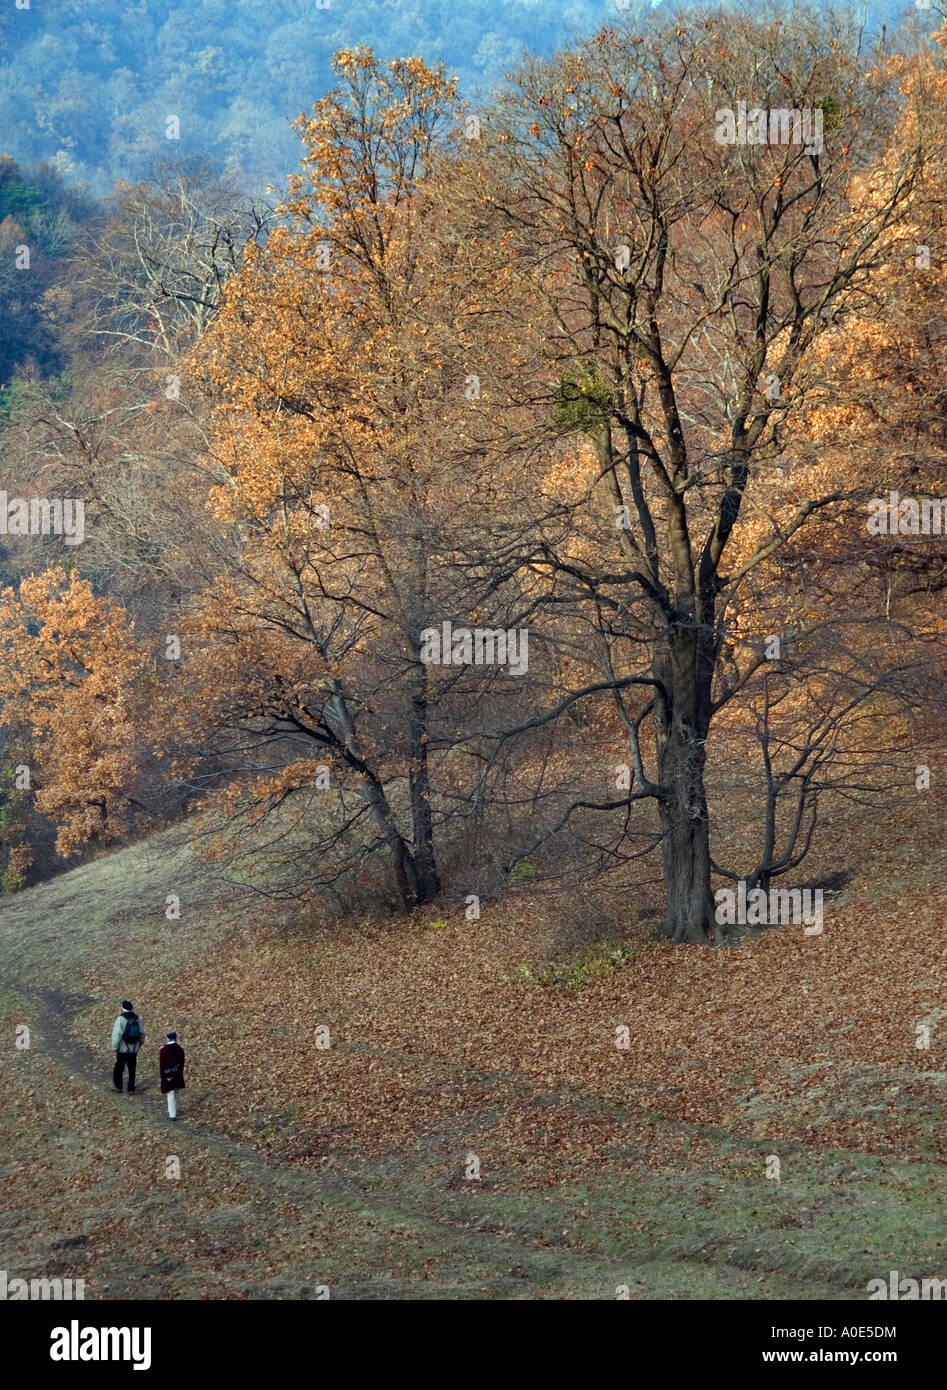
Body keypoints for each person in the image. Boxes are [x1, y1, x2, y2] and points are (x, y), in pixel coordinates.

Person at [111, 1000, 145, 1092]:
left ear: (122, 1008)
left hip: (123, 1049)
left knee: (119, 1067)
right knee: (132, 1068)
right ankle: (131, 1087)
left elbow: (117, 1034)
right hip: (134, 1049)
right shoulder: (137, 1018)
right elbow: (142, 1033)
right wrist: (140, 1044)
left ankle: (118, 1086)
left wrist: (114, 1047)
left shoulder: (121, 1019)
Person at [159, 1032, 186, 1120]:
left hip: (168, 1075)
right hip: (177, 1075)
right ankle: (176, 1109)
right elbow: (181, 1064)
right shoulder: (180, 1050)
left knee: (170, 1095)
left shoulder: (163, 1050)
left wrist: (164, 1076)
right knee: (176, 1093)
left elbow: (162, 1065)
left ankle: (172, 1114)